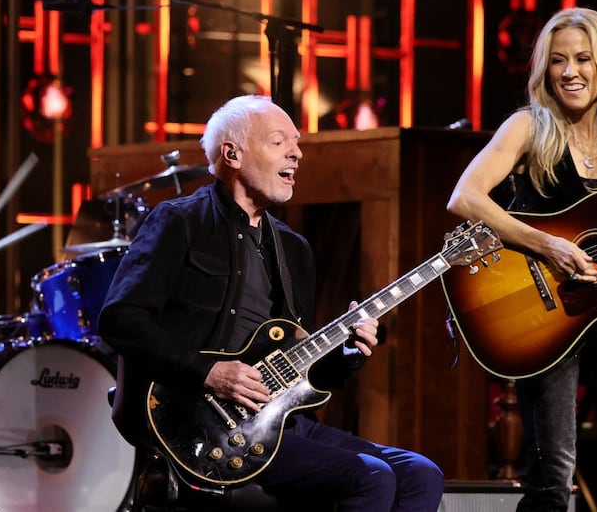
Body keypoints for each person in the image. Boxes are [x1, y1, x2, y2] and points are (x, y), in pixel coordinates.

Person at [98, 94, 444, 511]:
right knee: (370, 477)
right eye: (280, 142)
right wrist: (208, 372)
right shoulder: (180, 222)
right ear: (233, 154)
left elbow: (302, 367)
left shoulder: (294, 250)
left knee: (421, 473)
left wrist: (347, 350)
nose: (297, 153)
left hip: (281, 419)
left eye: (296, 143)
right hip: (200, 422)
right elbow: (120, 321)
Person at [447, 8, 597, 511]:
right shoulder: (527, 127)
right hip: (543, 312)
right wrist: (549, 245)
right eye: (558, 60)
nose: (571, 72)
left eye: (584, 59)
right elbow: (466, 196)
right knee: (553, 472)